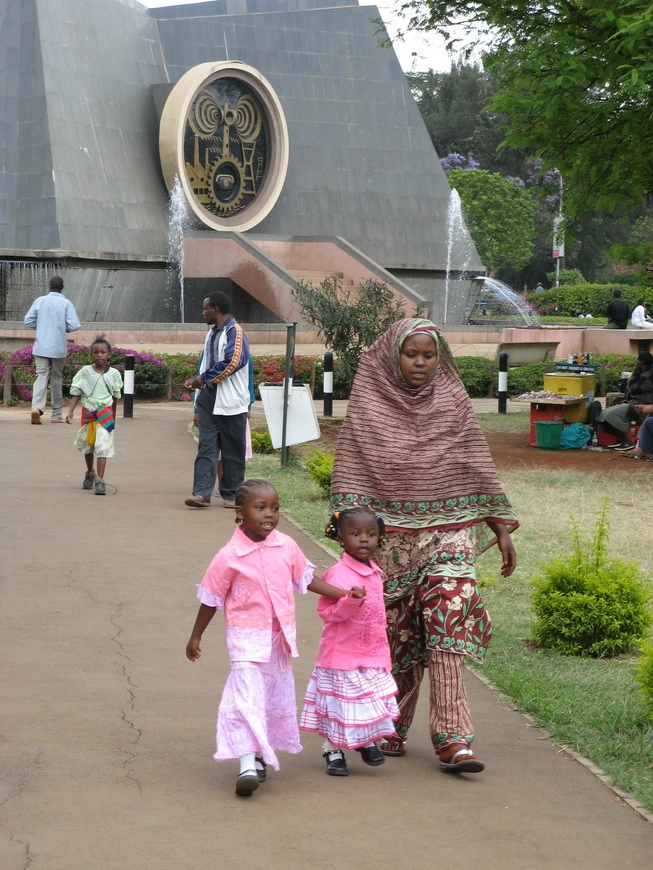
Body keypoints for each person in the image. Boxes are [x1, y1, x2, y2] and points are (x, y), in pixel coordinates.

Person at [329, 318, 518, 774]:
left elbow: (473, 460)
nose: (420, 363)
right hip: (390, 540)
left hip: (449, 534)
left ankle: (453, 738)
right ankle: (390, 724)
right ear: (394, 355)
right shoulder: (370, 401)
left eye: (429, 355)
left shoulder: (452, 398)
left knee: (449, 617)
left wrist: (499, 526)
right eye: (411, 354)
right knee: (399, 633)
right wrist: (352, 541)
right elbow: (351, 468)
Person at [185, 479, 360, 797]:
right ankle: (247, 766)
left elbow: (306, 578)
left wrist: (342, 594)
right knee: (246, 698)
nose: (270, 514)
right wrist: (195, 636)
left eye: (275, 508)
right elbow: (211, 598)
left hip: (278, 640)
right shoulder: (229, 556)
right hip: (244, 640)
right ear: (240, 512)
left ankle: (258, 755)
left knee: (265, 698)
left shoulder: (286, 546)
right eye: (260, 508)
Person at [300, 507, 399, 777]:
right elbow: (328, 613)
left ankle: (365, 740)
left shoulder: (375, 573)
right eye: (355, 534)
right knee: (341, 707)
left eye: (371, 534)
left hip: (373, 654)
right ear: (341, 538)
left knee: (372, 700)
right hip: (342, 657)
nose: (364, 539)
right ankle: (333, 750)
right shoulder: (338, 574)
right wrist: (350, 601)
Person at [184, 292, 250, 509]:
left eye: (206, 309)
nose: (203, 313)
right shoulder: (211, 333)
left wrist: (202, 379)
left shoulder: (235, 332)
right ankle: (201, 494)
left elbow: (233, 362)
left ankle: (231, 494)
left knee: (232, 450)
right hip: (209, 399)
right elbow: (206, 363)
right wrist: (197, 381)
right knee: (206, 446)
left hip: (231, 401)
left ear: (216, 310)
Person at [65, 336, 123, 496]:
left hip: (105, 415)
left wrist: (113, 416)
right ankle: (90, 472)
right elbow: (77, 392)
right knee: (89, 445)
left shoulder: (114, 374)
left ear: (109, 354)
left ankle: (100, 480)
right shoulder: (85, 372)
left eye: (103, 352)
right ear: (91, 354)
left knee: (102, 446)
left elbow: (115, 397)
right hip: (89, 413)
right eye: (96, 352)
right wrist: (70, 411)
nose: (99, 355)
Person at [23, 275, 81, 424]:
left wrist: (41, 326)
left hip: (41, 346)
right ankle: (56, 415)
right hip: (58, 347)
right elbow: (74, 325)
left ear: (49, 286)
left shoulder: (40, 301)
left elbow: (28, 320)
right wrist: (63, 328)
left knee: (41, 375)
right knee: (56, 378)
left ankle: (36, 408)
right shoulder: (66, 303)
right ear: (62, 288)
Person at [598, 352, 653, 450]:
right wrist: (631, 393)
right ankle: (621, 440)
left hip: (643, 408)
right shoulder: (642, 374)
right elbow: (628, 391)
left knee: (609, 416)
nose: (636, 363)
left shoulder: (650, 376)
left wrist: (633, 378)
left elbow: (634, 389)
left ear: (643, 362)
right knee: (603, 414)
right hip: (635, 403)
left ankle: (627, 441)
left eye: (638, 361)